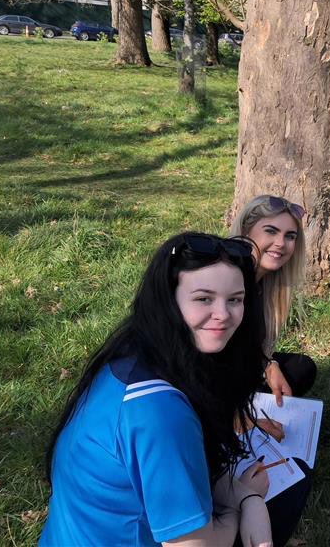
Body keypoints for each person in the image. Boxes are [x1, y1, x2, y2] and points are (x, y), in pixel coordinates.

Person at [40, 232, 311, 547]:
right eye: (203, 298)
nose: (224, 314)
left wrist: (239, 496)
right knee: (294, 482)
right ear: (169, 300)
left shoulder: (134, 354)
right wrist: (245, 505)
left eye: (235, 299)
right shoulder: (161, 413)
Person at [231, 195, 318, 411]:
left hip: (241, 366)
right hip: (205, 373)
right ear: (245, 231)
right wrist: (265, 368)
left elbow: (252, 346)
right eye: (271, 231)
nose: (281, 243)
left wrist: (269, 364)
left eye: (290, 236)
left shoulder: (266, 283)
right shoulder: (228, 279)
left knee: (302, 367)